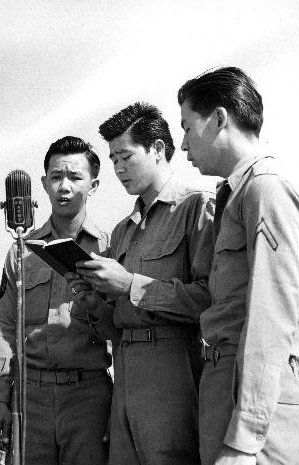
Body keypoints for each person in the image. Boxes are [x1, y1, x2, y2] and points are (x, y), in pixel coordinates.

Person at [178, 66, 299, 465]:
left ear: (220, 119)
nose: (183, 144)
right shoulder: (239, 191)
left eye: (188, 127)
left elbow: (270, 318)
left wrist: (245, 439)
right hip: (230, 390)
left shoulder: (267, 185)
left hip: (260, 409)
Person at [69, 103, 215, 465]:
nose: (118, 169)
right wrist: (94, 305)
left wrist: (131, 283)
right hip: (125, 374)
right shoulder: (123, 230)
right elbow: (115, 324)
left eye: (126, 157)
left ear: (158, 150)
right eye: (113, 159)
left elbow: (211, 300)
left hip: (174, 374)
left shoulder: (196, 208)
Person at [0, 136, 113, 465]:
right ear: (43, 183)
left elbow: (120, 326)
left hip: (89, 397)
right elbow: (4, 326)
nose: (64, 187)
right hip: (30, 399)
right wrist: (0, 399)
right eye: (56, 177)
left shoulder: (110, 247)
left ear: (94, 185)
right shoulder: (22, 250)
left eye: (75, 177)